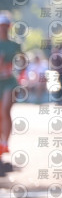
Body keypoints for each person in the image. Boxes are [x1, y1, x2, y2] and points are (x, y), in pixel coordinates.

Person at [0, 13, 21, 155]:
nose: (3, 28)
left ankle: (5, 143)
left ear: (9, 27)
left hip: (10, 82)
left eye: (6, 26)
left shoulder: (15, 44)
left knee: (5, 111)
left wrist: (12, 68)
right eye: (1, 26)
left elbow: (23, 61)